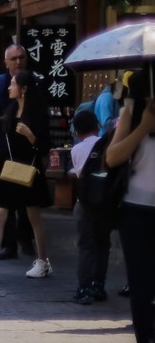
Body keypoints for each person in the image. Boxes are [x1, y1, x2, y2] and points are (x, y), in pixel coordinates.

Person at [101, 76, 155, 343]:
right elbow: (111, 157)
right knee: (144, 292)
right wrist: (143, 125)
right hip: (136, 214)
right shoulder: (132, 111)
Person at [0, 69, 53, 282]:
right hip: (9, 170)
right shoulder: (9, 111)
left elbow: (45, 147)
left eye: (13, 84)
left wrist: (30, 135)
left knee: (34, 217)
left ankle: (43, 261)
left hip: (29, 171)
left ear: (24, 89)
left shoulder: (37, 114)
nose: (9, 87)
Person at [0, 45, 38, 260]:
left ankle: (26, 238)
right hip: (2, 151)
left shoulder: (33, 84)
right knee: (3, 201)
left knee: (27, 198)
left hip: (25, 151)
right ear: (5, 62)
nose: (17, 62)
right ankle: (8, 244)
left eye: (21, 58)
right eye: (13, 59)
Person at [68, 108, 113, 305]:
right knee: (103, 245)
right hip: (106, 203)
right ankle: (99, 286)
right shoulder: (108, 144)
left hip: (85, 203)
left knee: (86, 246)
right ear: (97, 126)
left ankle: (84, 288)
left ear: (77, 132)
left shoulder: (75, 150)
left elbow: (79, 176)